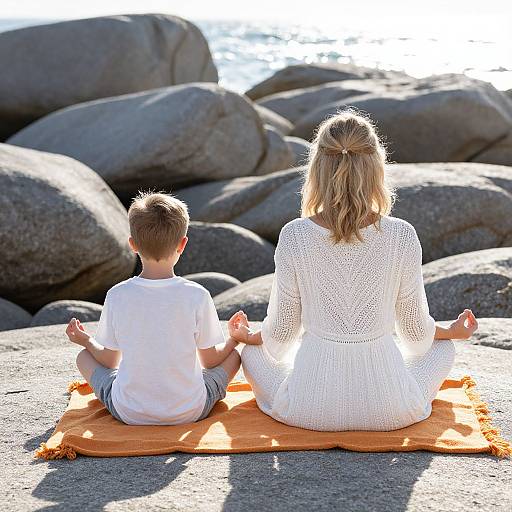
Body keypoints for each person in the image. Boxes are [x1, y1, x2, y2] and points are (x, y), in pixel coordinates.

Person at [230, 109, 479, 431]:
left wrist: (249, 337)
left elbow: (280, 338)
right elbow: (417, 336)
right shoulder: (402, 234)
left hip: (308, 410)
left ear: (316, 167)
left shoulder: (295, 235)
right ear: (377, 165)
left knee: (253, 354)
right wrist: (451, 332)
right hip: (392, 411)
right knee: (441, 348)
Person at [65, 192, 243, 425]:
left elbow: (109, 361)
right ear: (182, 244)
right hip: (189, 411)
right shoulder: (197, 295)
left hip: (129, 413)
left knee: (83, 357)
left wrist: (87, 341)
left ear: (132, 245)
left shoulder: (117, 295)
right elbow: (210, 362)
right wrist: (233, 340)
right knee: (235, 358)